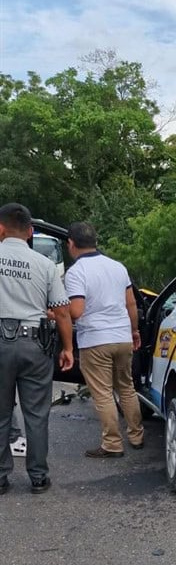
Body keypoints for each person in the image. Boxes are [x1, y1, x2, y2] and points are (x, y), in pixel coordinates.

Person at [0, 203, 74, 495]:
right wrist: (67, 348)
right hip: (35, 344)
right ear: (30, 231)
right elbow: (63, 311)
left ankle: (1, 477)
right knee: (36, 414)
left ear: (1, 229)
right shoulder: (44, 265)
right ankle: (39, 477)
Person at [64, 222, 144, 457]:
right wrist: (134, 331)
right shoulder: (117, 267)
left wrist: (55, 313)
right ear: (95, 242)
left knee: (103, 393)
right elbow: (131, 303)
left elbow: (76, 311)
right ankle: (137, 436)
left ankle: (112, 444)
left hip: (96, 340)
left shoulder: (76, 272)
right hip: (122, 337)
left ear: (71, 244)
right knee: (127, 388)